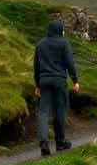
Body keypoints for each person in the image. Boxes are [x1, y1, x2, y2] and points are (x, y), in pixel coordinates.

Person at [33, 20, 80, 156]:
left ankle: (43, 142)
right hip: (59, 80)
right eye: (63, 30)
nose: (64, 32)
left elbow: (36, 67)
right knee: (59, 110)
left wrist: (37, 84)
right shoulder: (63, 43)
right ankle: (60, 143)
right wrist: (75, 80)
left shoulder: (40, 44)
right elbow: (69, 62)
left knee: (43, 111)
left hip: (44, 80)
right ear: (59, 30)